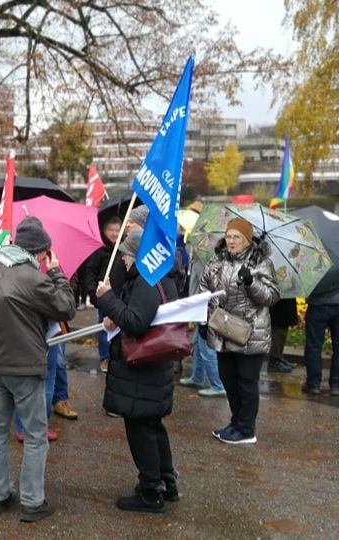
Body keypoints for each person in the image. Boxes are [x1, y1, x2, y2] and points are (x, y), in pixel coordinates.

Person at [0, 216, 76, 522]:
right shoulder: (34, 278)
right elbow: (65, 308)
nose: (46, 261)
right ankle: (32, 502)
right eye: (45, 256)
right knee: (34, 436)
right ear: (39, 252)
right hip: (25, 367)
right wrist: (57, 272)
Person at [96, 231, 178, 513]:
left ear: (136, 256)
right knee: (153, 427)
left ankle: (150, 492)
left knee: (141, 430)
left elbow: (136, 322)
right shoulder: (159, 276)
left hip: (142, 371)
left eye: (126, 254)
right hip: (153, 369)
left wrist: (108, 300)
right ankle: (166, 483)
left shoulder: (146, 280)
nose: (122, 259)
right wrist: (114, 316)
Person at [199, 218, 279, 444]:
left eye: (237, 237)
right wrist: (204, 321)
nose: (231, 241)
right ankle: (235, 422)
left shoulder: (261, 263)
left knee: (246, 381)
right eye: (229, 236)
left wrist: (251, 282)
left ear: (246, 240)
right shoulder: (217, 260)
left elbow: (272, 296)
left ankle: (246, 430)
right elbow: (205, 290)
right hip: (221, 329)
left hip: (250, 333)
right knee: (228, 379)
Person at [302, 247, 339, 396]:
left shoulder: (313, 249)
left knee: (313, 345)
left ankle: (313, 384)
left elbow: (305, 276)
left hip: (318, 303)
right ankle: (336, 385)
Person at [179, 246, 226, 397]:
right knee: (198, 344)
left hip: (206, 308)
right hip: (199, 306)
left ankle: (218, 385)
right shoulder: (198, 256)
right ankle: (197, 377)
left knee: (206, 347)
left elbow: (208, 286)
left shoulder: (207, 259)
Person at [84, 216, 123, 374]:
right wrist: (93, 295)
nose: (114, 234)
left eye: (117, 230)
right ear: (104, 231)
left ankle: (117, 355)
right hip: (103, 296)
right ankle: (104, 357)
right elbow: (89, 273)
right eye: (111, 230)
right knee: (104, 327)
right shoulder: (99, 250)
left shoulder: (125, 248)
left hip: (120, 296)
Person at [267, 299, 298, 373]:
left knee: (283, 328)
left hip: (285, 299)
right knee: (278, 329)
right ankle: (274, 360)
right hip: (279, 302)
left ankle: (278, 357)